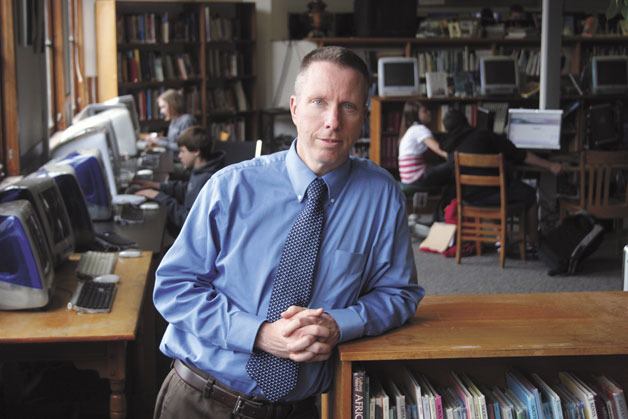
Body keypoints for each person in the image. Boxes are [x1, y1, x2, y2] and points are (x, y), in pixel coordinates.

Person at [152, 46, 423, 419]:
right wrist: (259, 334)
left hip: (298, 410)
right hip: (201, 398)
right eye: (318, 102)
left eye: (348, 106)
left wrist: (340, 325)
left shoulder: (381, 195)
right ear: (295, 108)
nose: (332, 121)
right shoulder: (230, 187)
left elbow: (399, 293)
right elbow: (174, 287)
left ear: (363, 117)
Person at [441, 109, 562, 248]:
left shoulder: (449, 148)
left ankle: (502, 237)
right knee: (530, 194)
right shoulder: (484, 135)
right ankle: (533, 242)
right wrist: (550, 165)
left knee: (494, 194)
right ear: (466, 121)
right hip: (495, 197)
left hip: (469, 199)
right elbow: (521, 155)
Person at [132, 126, 225, 237]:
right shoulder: (202, 170)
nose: (179, 156)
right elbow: (188, 189)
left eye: (182, 151)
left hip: (192, 238)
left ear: (196, 151)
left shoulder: (207, 179)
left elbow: (188, 220)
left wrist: (159, 197)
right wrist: (156, 185)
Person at [398, 101, 449, 194]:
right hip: (416, 178)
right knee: (452, 168)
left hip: (408, 178)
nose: (429, 112)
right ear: (416, 115)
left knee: (440, 168)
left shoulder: (411, 129)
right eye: (424, 111)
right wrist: (457, 158)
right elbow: (440, 150)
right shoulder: (419, 129)